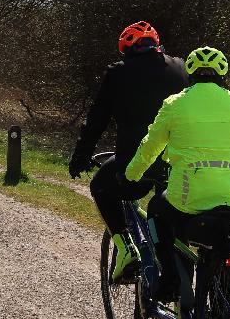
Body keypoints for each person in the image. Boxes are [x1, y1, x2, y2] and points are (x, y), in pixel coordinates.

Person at [124, 45, 230, 319]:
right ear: (223, 74)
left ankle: (171, 280)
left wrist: (131, 173)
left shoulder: (176, 103)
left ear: (190, 73)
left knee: (157, 211)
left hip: (189, 198)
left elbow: (151, 145)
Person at [66, 21, 188, 275]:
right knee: (171, 217)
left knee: (100, 187)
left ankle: (126, 248)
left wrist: (81, 155)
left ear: (127, 49)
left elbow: (97, 120)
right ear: (156, 45)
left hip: (135, 162)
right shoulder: (182, 67)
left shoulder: (118, 72)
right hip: (179, 162)